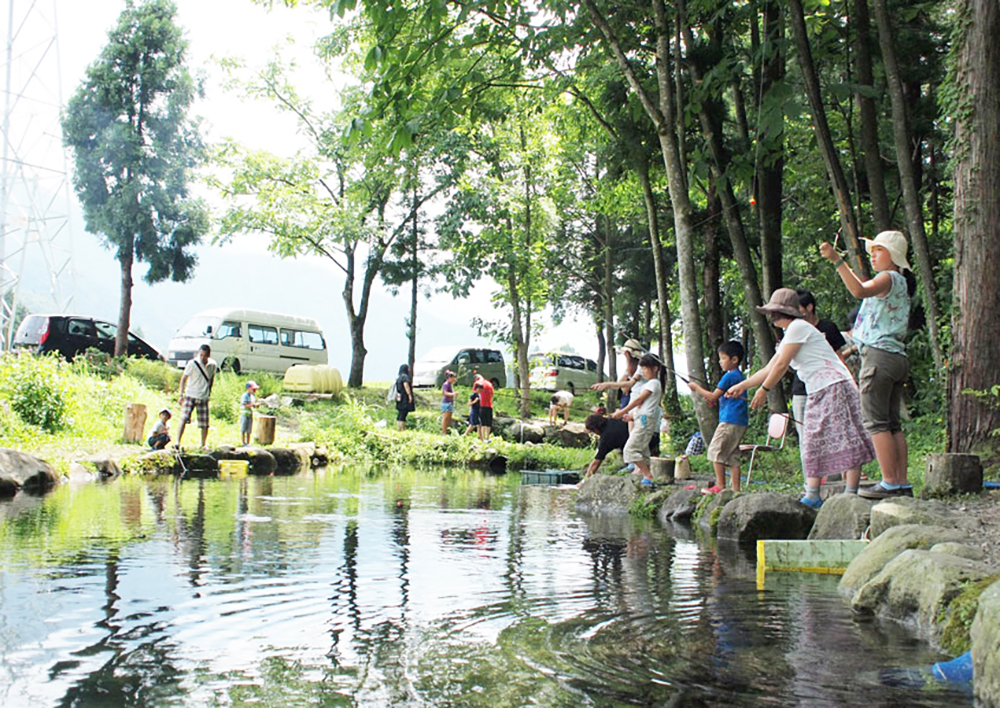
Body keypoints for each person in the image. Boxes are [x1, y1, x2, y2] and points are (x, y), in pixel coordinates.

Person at [727, 288, 875, 509]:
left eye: (772, 312)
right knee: (813, 441)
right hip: (818, 389)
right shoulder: (792, 332)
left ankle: (849, 494)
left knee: (845, 438)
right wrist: (742, 386)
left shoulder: (798, 328)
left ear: (778, 313)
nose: (770, 317)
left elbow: (780, 365)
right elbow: (769, 367)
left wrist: (764, 390)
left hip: (835, 386)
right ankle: (813, 494)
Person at [821, 230, 914, 499]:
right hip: (896, 356)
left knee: (876, 422)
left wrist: (837, 260)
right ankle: (901, 482)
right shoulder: (901, 283)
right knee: (892, 424)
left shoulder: (887, 278)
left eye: (879, 251)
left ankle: (889, 482)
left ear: (893, 256)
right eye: (872, 251)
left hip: (879, 358)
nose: (873, 255)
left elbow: (859, 290)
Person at [792, 289, 848, 489]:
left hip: (827, 387)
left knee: (832, 432)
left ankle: (835, 478)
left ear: (809, 307)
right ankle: (810, 483)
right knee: (806, 437)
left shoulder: (828, 327)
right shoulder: (792, 330)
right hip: (801, 390)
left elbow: (839, 357)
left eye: (797, 308)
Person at [688, 341, 749, 494]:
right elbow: (721, 398)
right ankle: (735, 489)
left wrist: (696, 388)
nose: (720, 361)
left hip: (729, 420)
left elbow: (713, 396)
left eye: (723, 358)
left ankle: (720, 485)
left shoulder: (729, 376)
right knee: (732, 454)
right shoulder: (739, 375)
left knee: (716, 450)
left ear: (734, 360)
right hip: (739, 421)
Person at [610, 353, 664, 486]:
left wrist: (622, 411)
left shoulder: (653, 383)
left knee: (629, 450)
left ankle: (648, 475)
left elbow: (639, 400)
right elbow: (644, 406)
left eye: (645, 368)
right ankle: (649, 477)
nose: (643, 372)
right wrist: (631, 416)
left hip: (645, 422)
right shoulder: (651, 384)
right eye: (642, 368)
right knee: (643, 451)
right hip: (642, 419)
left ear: (655, 368)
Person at [176, 344, 217, 449]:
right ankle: (177, 442)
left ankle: (203, 444)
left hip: (203, 396)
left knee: (204, 423)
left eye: (205, 356)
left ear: (209, 355)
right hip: (190, 394)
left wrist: (209, 392)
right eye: (201, 355)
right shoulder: (192, 363)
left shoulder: (212, 365)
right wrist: (181, 394)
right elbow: (183, 379)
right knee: (184, 418)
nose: (203, 358)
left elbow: (211, 379)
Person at [583, 413, 631, 478]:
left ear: (595, 429)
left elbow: (597, 461)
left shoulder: (606, 438)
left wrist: (585, 479)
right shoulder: (614, 419)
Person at [240, 380, 260, 446]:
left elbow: (252, 405)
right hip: (244, 414)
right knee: (243, 429)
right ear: (248, 388)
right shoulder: (245, 396)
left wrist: (256, 405)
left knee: (249, 429)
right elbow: (245, 404)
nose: (254, 390)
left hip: (250, 414)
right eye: (253, 389)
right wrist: (253, 405)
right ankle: (243, 442)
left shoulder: (252, 397)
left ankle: (248, 442)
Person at [395, 364, 415, 431]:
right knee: (404, 413)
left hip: (399, 397)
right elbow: (406, 385)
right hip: (404, 397)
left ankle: (398, 427)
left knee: (400, 413)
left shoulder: (399, 378)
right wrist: (409, 395)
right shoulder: (405, 377)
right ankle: (402, 428)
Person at [475, 374, 494, 439]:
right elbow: (492, 394)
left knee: (482, 422)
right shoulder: (489, 383)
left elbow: (475, 394)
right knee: (488, 422)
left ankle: (482, 437)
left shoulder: (477, 383)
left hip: (481, 405)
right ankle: (487, 437)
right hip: (489, 405)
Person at [441, 370, 457, 435]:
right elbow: (445, 393)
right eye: (453, 377)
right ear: (450, 378)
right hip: (446, 403)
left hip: (450, 403)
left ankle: (447, 431)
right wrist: (453, 394)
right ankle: (443, 432)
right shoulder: (446, 384)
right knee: (445, 418)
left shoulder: (450, 385)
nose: (454, 379)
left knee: (449, 418)